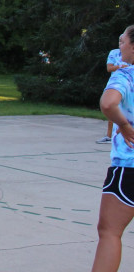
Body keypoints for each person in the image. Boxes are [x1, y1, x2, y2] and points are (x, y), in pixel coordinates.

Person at [91, 26, 134, 272]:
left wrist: (124, 125)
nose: (120, 47)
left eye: (123, 42)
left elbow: (108, 103)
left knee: (109, 232)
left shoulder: (126, 75)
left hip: (129, 166)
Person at [98, 48, 130, 144]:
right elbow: (109, 68)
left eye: (123, 41)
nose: (121, 44)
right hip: (117, 85)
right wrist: (120, 66)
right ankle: (110, 135)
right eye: (120, 41)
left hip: (129, 85)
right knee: (113, 108)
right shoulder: (114, 53)